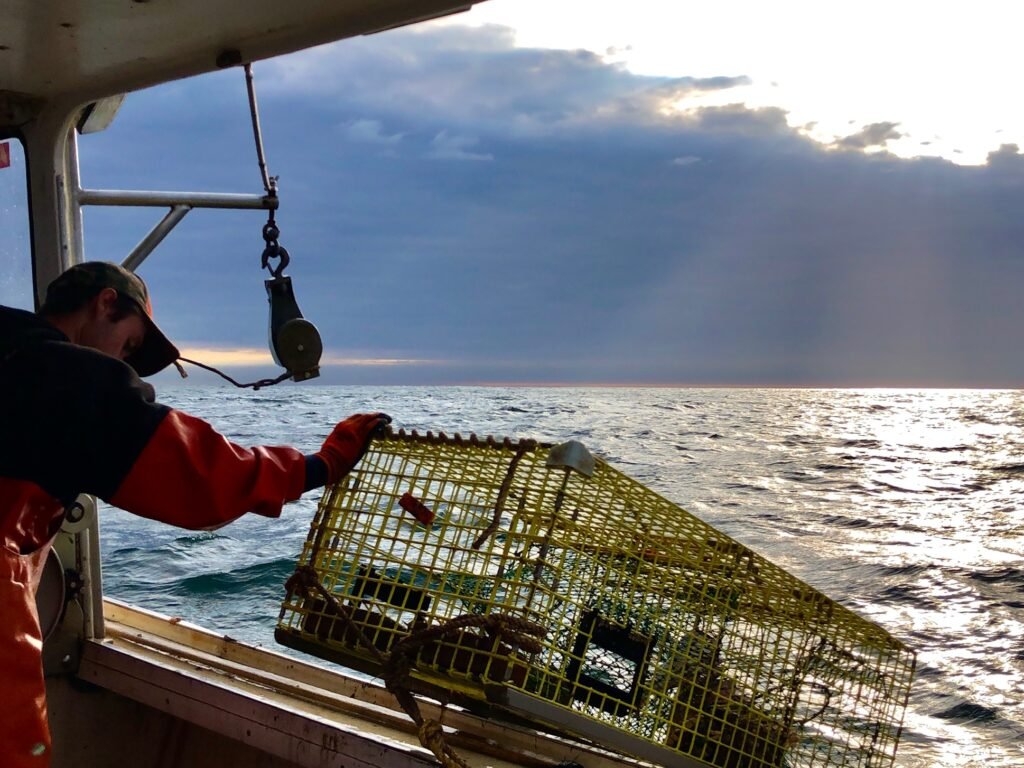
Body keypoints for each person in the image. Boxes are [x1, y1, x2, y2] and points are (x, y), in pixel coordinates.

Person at [0, 261, 389, 767]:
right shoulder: (72, 378)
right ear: (105, 304)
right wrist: (322, 466)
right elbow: (204, 480)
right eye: (131, 346)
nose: (126, 363)